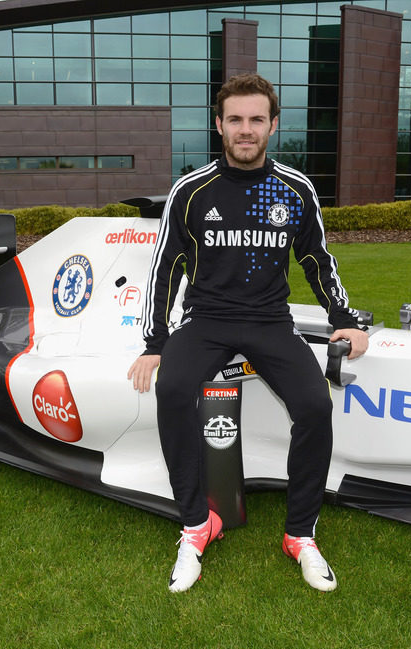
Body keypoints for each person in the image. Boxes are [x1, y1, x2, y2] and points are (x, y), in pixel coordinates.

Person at [127, 73, 368, 593]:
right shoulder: (190, 191)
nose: (245, 128)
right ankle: (197, 525)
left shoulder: (294, 189)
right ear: (219, 125)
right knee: (171, 390)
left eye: (256, 119)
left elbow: (316, 260)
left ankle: (300, 534)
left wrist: (343, 318)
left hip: (269, 321)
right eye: (235, 119)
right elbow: (165, 266)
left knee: (314, 406)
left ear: (273, 126)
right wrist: (155, 343)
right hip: (207, 319)